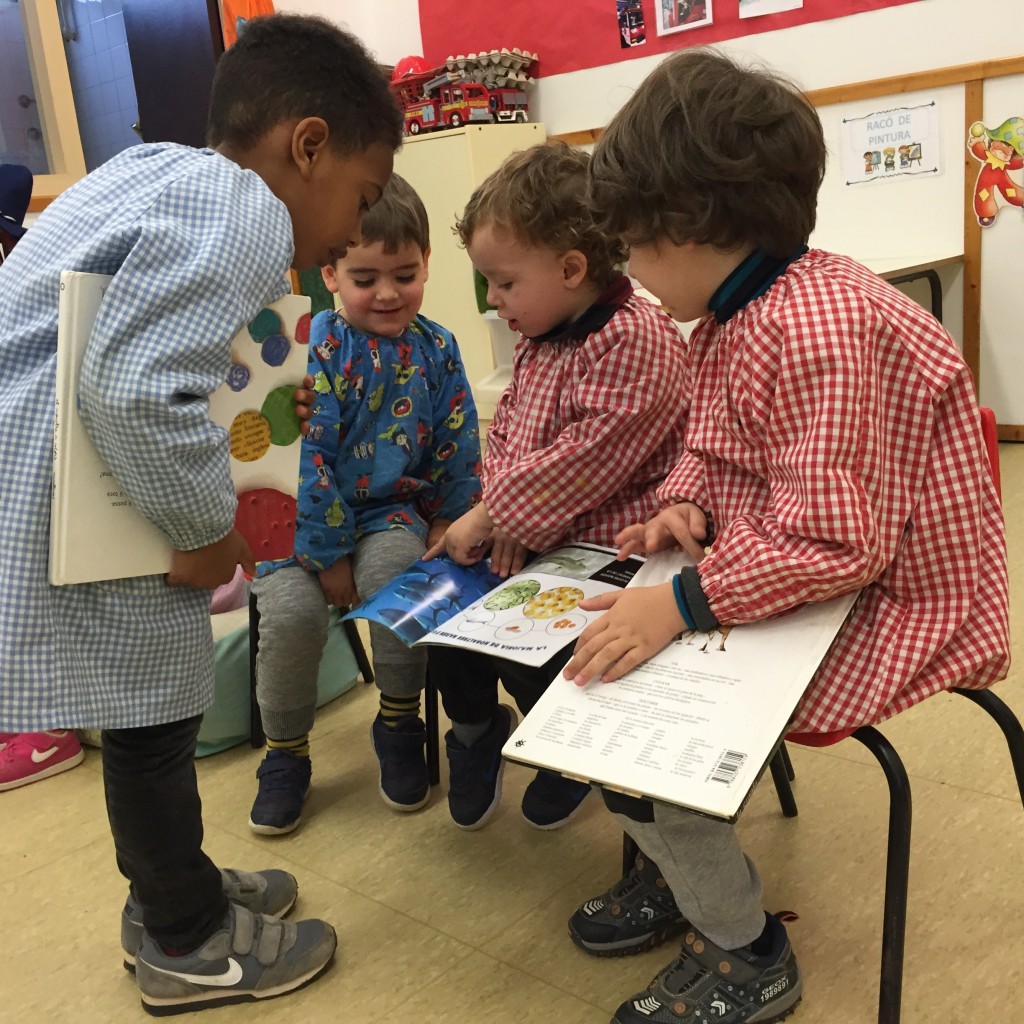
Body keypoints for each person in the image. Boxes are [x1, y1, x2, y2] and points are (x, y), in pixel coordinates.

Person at [560, 48, 1010, 1024]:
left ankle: (745, 948)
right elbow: (719, 449)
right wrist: (684, 503)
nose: (631, 273)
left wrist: (680, 602)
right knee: (607, 686)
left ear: (691, 224)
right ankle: (683, 874)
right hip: (801, 572)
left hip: (888, 605)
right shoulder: (742, 309)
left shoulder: (811, 328)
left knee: (655, 739)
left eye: (634, 247)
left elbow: (838, 545)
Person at [0, 13, 402, 1015]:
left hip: (47, 473)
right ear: (307, 145)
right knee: (153, 714)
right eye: (361, 197)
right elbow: (136, 390)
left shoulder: (154, 171)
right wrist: (204, 531)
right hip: (75, 496)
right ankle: (184, 936)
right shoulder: (244, 210)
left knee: (150, 709)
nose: (351, 233)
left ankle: (173, 889)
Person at [425, 141, 689, 832]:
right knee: (448, 626)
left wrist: (495, 516)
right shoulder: (541, 333)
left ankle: (565, 750)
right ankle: (480, 730)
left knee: (533, 648)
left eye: (504, 282)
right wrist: (501, 517)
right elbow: (507, 432)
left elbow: (586, 457)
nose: (492, 299)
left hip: (620, 551)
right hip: (542, 533)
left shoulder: (636, 338)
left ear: (571, 270)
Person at [249, 173, 481, 834]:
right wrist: (326, 558)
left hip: (390, 514)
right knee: (291, 617)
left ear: (427, 263)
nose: (387, 293)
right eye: (364, 278)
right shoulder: (312, 348)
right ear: (329, 273)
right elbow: (307, 457)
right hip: (296, 524)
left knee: (401, 581)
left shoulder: (437, 347)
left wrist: (450, 516)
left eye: (404, 275)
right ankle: (285, 752)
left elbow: (459, 438)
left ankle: (399, 721)